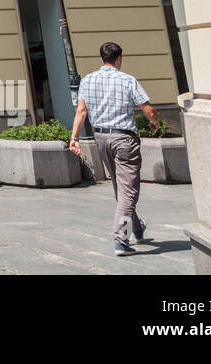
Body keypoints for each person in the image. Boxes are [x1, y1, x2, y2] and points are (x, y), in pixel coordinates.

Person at [69, 41, 163, 256]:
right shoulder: (127, 80)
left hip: (101, 137)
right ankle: (121, 240)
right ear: (118, 59)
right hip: (124, 140)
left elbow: (81, 111)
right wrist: (155, 122)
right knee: (128, 191)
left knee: (122, 188)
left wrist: (74, 137)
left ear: (102, 59)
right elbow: (148, 109)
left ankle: (136, 228)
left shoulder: (88, 80)